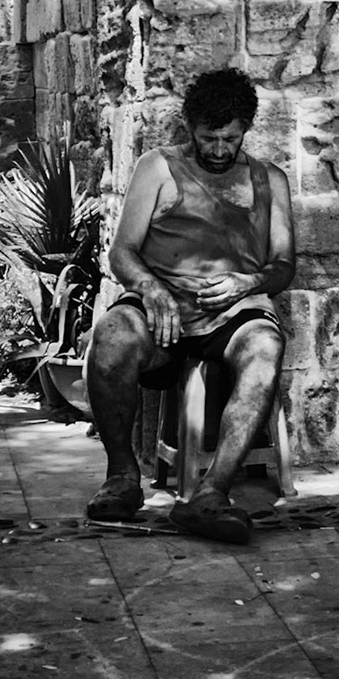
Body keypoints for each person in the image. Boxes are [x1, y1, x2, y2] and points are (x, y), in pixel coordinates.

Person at [84, 68, 295, 544]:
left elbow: (284, 265)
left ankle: (211, 493)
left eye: (230, 138)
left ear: (246, 129)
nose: (219, 149)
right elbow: (122, 252)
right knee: (112, 334)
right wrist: (151, 288)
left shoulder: (270, 181)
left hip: (233, 313)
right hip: (163, 313)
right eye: (208, 138)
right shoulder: (157, 166)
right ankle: (121, 478)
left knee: (266, 345)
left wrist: (250, 281)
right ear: (190, 127)